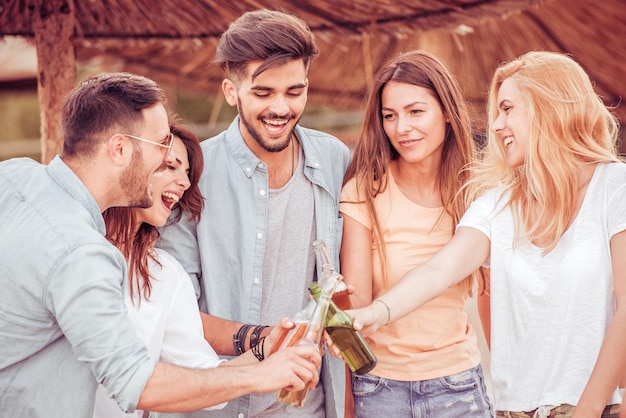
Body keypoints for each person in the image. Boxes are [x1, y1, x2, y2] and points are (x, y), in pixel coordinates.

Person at [0, 72, 321, 418]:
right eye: (161, 146)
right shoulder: (83, 254)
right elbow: (136, 384)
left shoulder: (15, 176)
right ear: (120, 149)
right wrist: (259, 376)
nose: (166, 165)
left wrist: (260, 353)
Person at [347, 51, 626, 417]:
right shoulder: (495, 206)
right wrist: (376, 313)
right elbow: (438, 271)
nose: (495, 125)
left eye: (507, 109)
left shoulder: (614, 188)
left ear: (548, 107)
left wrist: (587, 410)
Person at [157, 9, 351, 418]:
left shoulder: (335, 159)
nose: (280, 108)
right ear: (231, 91)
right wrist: (261, 341)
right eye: (263, 93)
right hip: (215, 407)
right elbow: (175, 316)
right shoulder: (191, 175)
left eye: (294, 92)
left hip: (308, 408)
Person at [339, 50, 494, 417]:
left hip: (459, 387)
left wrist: (510, 382)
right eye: (390, 116)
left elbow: (490, 299)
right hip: (378, 389)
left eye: (415, 111)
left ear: (447, 112)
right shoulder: (364, 191)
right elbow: (353, 311)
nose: (401, 128)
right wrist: (347, 405)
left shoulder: (477, 193)